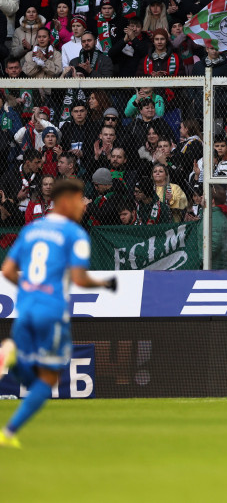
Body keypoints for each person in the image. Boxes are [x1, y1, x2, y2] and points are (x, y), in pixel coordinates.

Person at [0, 179, 116, 449]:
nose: (84, 206)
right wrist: (104, 283)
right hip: (51, 311)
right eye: (80, 200)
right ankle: (9, 426)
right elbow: (79, 278)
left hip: (24, 310)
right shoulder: (75, 234)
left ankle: (8, 429)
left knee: (33, 380)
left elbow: (7, 271)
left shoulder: (30, 230)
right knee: (49, 378)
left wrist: (30, 288)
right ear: (65, 201)